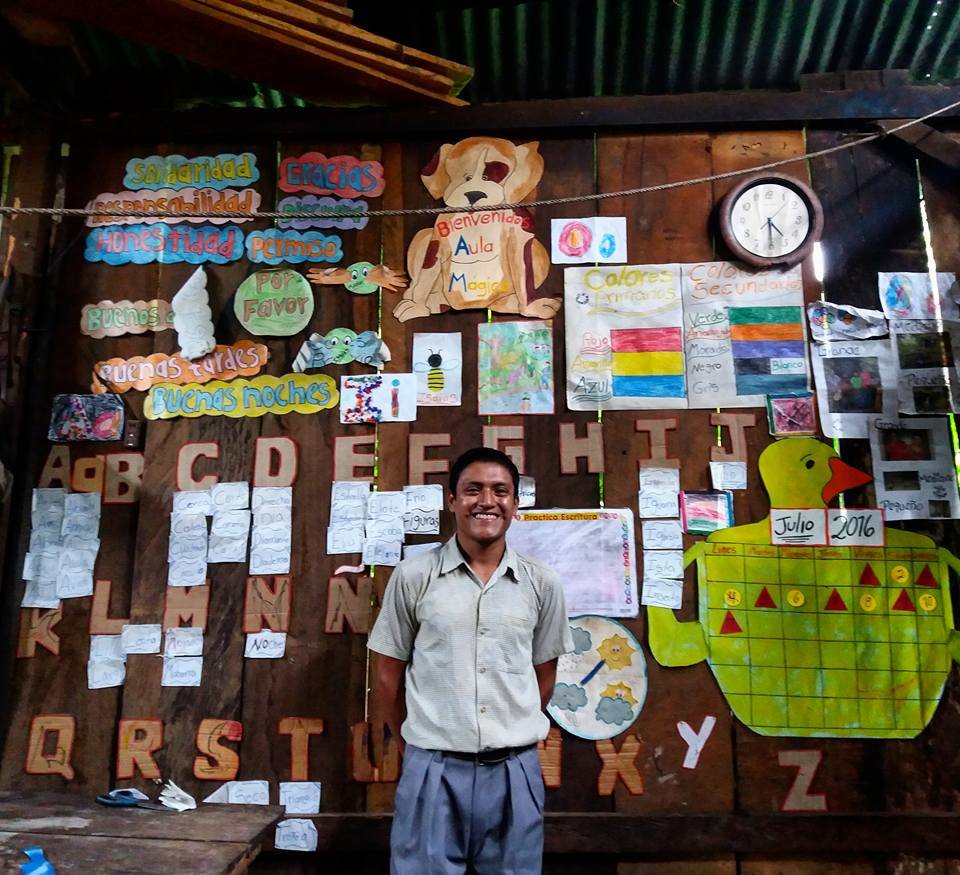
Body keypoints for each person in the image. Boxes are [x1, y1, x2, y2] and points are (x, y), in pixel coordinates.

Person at [368, 447, 573, 875]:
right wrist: (414, 743)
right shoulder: (414, 576)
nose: (487, 501)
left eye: (501, 491)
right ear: (452, 501)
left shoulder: (541, 583)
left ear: (515, 503)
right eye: (472, 489)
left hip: (515, 769)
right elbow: (387, 673)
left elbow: (545, 672)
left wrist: (511, 725)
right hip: (433, 765)